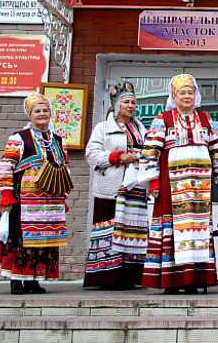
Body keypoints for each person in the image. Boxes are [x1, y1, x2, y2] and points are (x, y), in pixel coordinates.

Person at [138, 74, 218, 294]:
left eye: (190, 92)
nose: (186, 96)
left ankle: (193, 280)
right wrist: (153, 182)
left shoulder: (205, 120)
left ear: (196, 96)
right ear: (174, 96)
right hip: (171, 186)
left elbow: (215, 152)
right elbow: (149, 154)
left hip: (200, 188)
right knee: (173, 230)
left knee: (196, 230)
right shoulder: (163, 119)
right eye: (182, 93)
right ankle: (171, 282)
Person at [0, 93, 71, 295]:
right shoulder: (19, 138)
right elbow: (5, 166)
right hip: (24, 198)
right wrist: (6, 194)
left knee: (43, 239)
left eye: (45, 110)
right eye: (37, 111)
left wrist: (63, 196)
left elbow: (64, 169)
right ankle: (16, 280)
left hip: (50, 201)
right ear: (30, 115)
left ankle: (34, 280)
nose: (42, 114)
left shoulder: (58, 141)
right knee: (22, 238)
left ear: (50, 114)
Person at [83, 81, 149, 289]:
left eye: (133, 102)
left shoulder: (140, 130)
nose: (130, 106)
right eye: (126, 102)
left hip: (135, 188)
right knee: (110, 230)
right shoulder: (103, 128)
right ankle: (107, 277)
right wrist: (117, 156)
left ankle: (129, 276)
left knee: (131, 230)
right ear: (116, 105)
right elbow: (91, 154)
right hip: (112, 187)